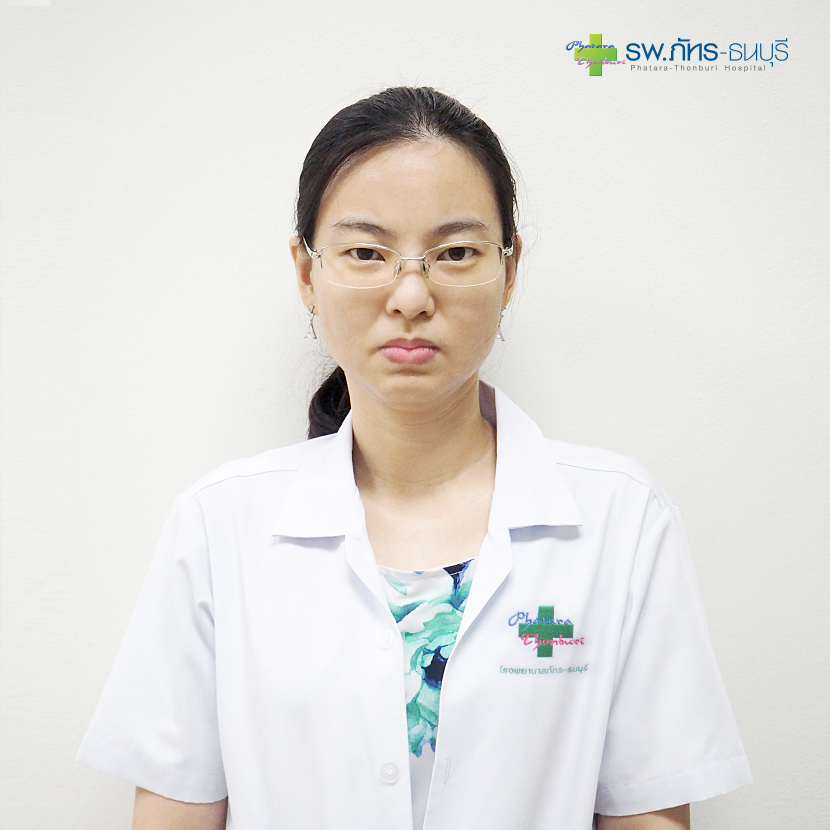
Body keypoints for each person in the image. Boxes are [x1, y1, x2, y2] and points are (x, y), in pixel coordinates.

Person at [78, 87, 751, 830]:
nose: (410, 295)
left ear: (509, 270)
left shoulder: (621, 519)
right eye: (366, 253)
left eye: (455, 253)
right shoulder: (219, 526)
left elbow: (649, 815)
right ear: (306, 272)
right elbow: (174, 814)